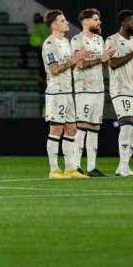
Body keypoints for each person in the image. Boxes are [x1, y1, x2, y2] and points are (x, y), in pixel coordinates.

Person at [42, 10, 90, 178]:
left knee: (71, 129)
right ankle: (54, 169)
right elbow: (54, 69)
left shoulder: (66, 42)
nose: (66, 22)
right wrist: (74, 60)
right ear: (54, 24)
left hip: (68, 92)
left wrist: (82, 58)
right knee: (56, 129)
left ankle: (70, 168)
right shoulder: (50, 44)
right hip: (56, 92)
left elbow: (72, 64)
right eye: (62, 20)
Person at [106, 10, 133, 177]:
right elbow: (113, 63)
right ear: (124, 23)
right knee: (126, 123)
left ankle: (124, 166)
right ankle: (123, 167)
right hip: (120, 88)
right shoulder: (112, 40)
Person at [72, 8, 115, 177]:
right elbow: (79, 64)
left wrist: (108, 56)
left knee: (95, 127)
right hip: (84, 88)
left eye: (99, 19)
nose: (99, 22)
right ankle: (75, 166)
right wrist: (100, 58)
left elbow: (103, 63)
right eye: (96, 19)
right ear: (86, 21)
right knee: (82, 125)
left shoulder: (99, 39)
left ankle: (91, 167)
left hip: (98, 88)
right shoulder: (77, 40)